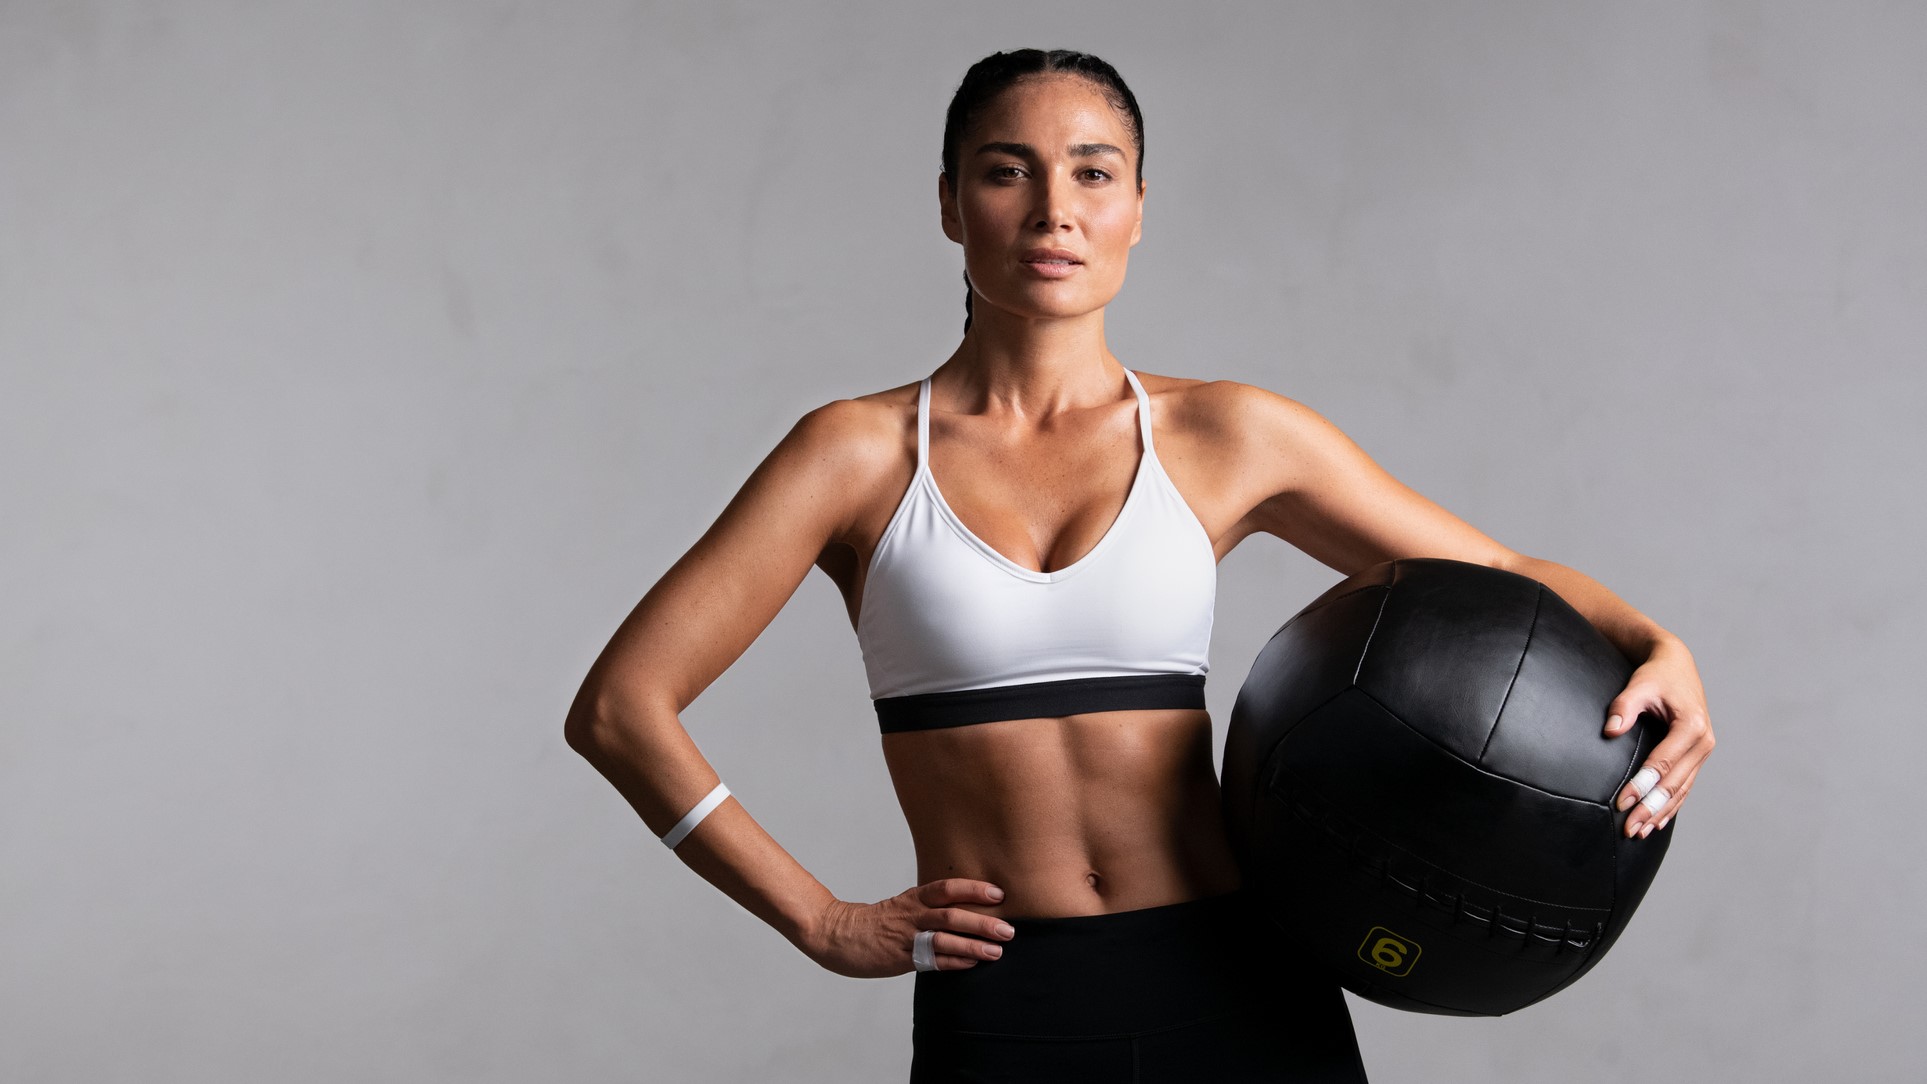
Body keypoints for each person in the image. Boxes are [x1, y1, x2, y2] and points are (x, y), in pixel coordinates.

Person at [564, 48, 1715, 1083]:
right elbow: (621, 710)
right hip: (1007, 1002)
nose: (1054, 209)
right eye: (1008, 171)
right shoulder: (854, 455)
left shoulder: (1227, 435)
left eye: (1093, 172)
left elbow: (1503, 576)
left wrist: (1656, 643)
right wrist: (817, 920)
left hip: (1239, 975)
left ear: (1138, 207)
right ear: (951, 206)